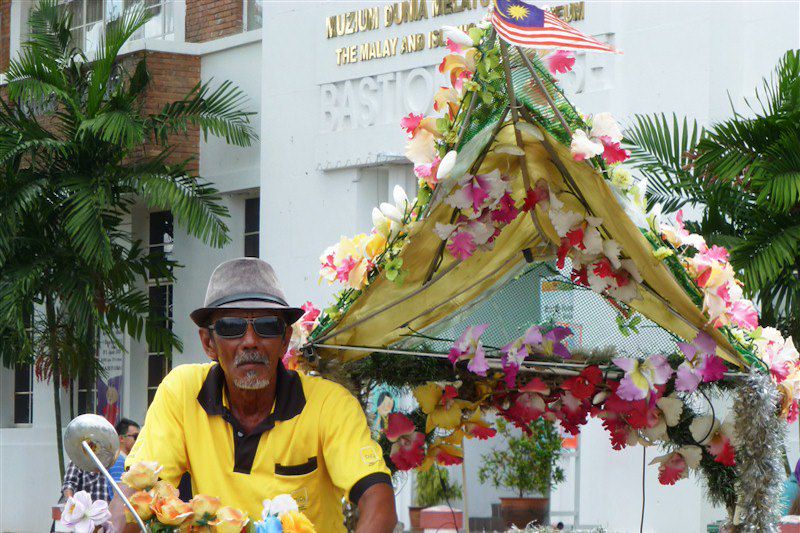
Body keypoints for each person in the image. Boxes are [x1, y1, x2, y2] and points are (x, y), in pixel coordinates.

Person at [109, 258, 397, 532]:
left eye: (267, 327)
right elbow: (139, 493)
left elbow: (377, 497)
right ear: (209, 342)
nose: (250, 341)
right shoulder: (182, 391)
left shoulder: (329, 405)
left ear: (285, 339)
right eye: (232, 327)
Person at [106, 418, 140, 499]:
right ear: (121, 438)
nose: (138, 440)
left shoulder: (125, 460)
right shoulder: (118, 461)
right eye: (135, 436)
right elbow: (119, 494)